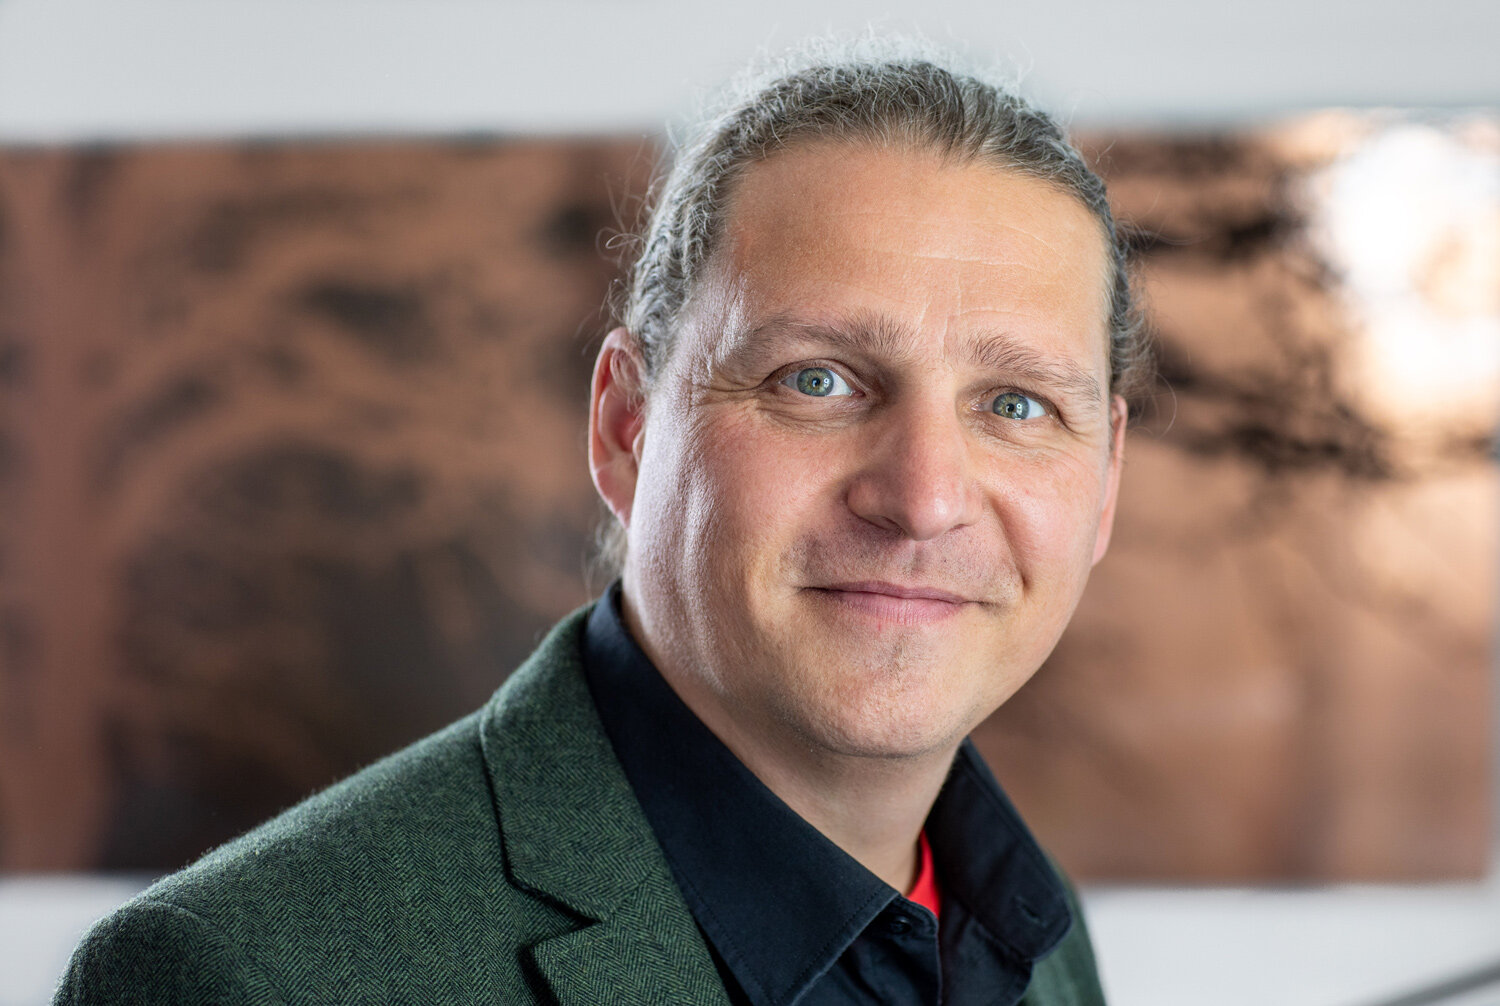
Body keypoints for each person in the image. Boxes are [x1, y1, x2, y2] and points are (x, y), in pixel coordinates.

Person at [57, 44, 1150, 1006]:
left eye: (1018, 405)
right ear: (627, 426)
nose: (924, 497)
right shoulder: (243, 976)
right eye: (816, 380)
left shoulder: (1031, 936)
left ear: (1103, 482)